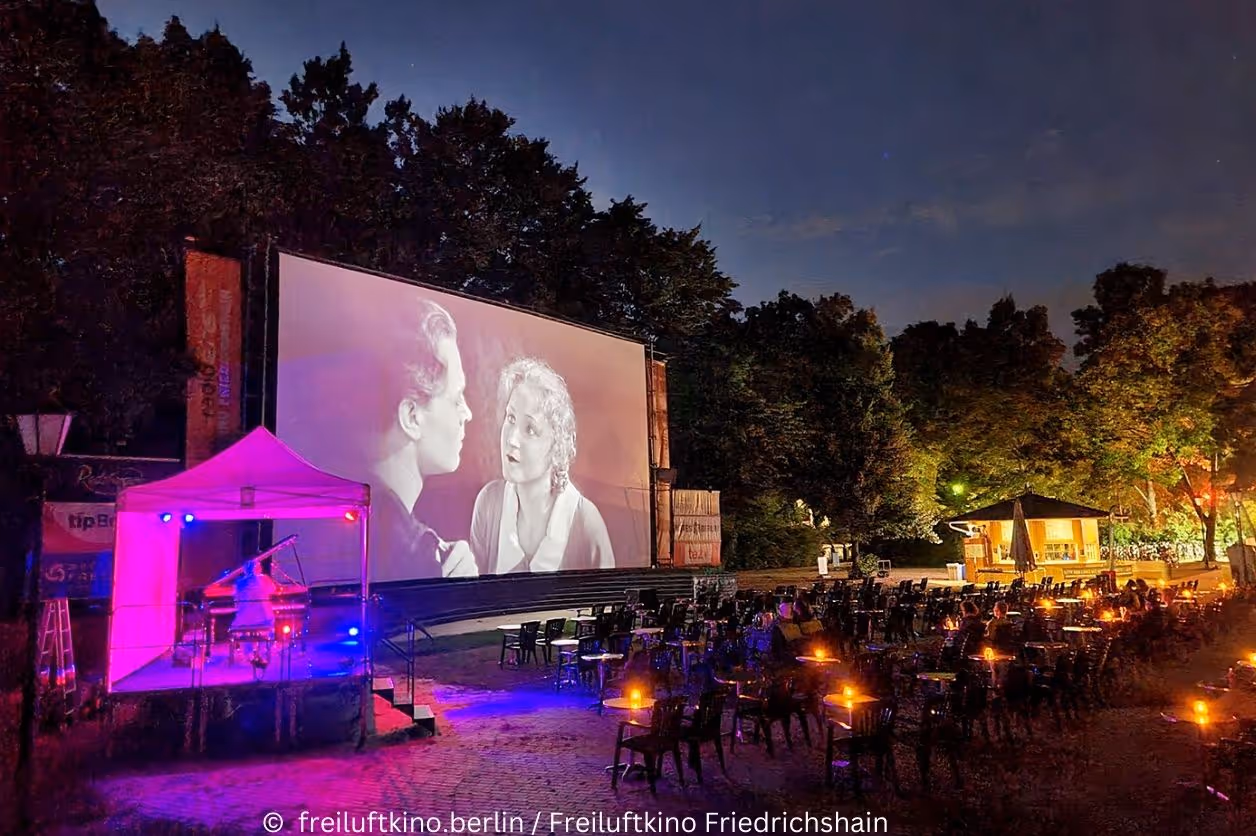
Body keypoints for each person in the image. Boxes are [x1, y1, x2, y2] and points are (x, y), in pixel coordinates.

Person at [367, 297, 478, 581]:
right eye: (456, 399)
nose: (468, 413)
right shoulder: (403, 549)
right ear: (412, 416)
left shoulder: (402, 536)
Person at [470, 358, 614, 574]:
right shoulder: (489, 503)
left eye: (530, 429)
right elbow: (474, 599)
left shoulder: (586, 523)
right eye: (510, 418)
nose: (512, 439)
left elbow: (607, 604)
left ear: (557, 445)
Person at [232, 559, 278, 664]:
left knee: (241, 626)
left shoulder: (239, 583)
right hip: (263, 619)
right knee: (269, 622)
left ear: (244, 570)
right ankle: (262, 652)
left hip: (245, 620)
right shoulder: (265, 579)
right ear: (259, 569)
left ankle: (248, 655)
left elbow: (236, 603)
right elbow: (273, 590)